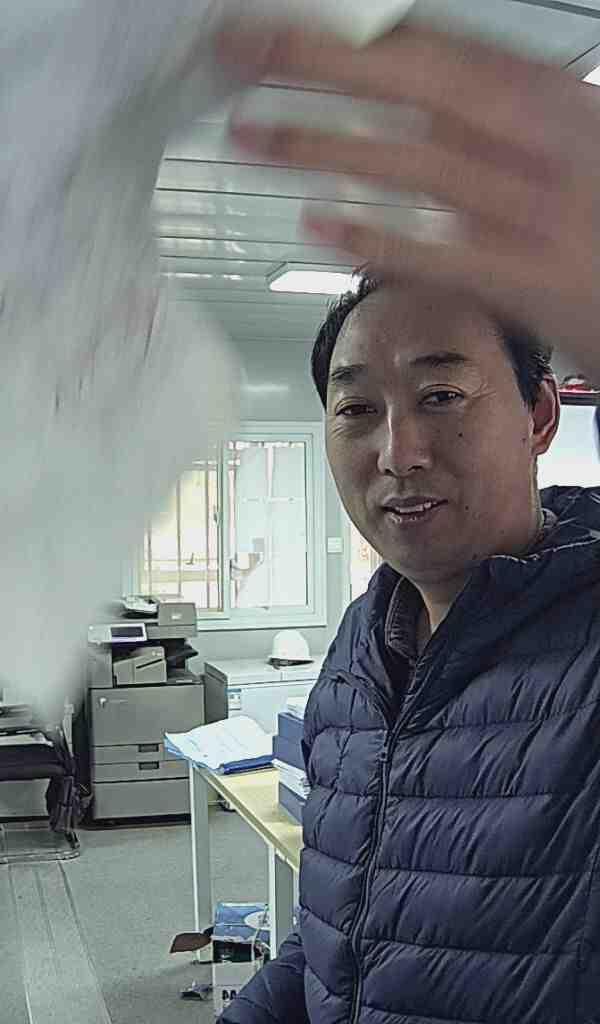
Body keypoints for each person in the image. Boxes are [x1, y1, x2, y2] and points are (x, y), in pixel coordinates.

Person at [215, 16, 600, 1024]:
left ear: (540, 416)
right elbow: (338, 938)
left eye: (441, 396)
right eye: (357, 409)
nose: (397, 452)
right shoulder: (360, 651)